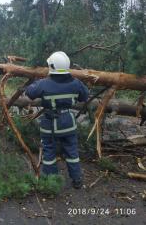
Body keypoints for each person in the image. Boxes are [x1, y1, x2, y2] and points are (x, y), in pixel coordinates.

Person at [25, 51, 89, 189]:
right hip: (68, 122)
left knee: (49, 151)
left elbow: (29, 92)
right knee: (72, 151)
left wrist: (37, 81)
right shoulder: (76, 83)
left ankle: (51, 182)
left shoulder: (43, 84)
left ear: (51, 66)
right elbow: (85, 96)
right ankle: (77, 179)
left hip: (50, 124)